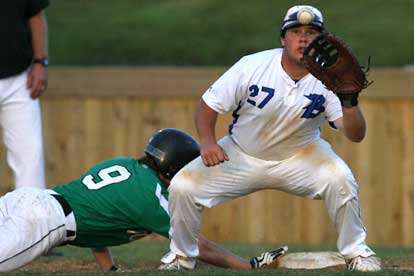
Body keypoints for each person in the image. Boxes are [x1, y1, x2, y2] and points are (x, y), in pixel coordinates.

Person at [161, 5, 381, 272]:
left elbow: (356, 135)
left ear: (322, 40)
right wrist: (207, 141)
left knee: (340, 179)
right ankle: (181, 258)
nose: (303, 38)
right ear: (282, 39)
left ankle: (358, 253)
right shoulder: (252, 65)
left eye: (311, 32)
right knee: (183, 186)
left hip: (301, 156)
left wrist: (349, 102)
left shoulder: (332, 77)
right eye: (295, 31)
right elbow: (208, 105)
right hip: (241, 154)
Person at [0, 128, 287, 272]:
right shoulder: (149, 198)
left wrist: (108, 268)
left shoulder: (124, 164)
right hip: (44, 222)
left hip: (29, 198)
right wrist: (246, 265)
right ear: (173, 167)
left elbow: (95, 214)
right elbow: (196, 245)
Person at [0, 0, 49, 190]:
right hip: (20, 78)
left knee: (31, 156)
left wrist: (40, 62)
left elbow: (35, 14)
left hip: (20, 80)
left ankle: (32, 217)